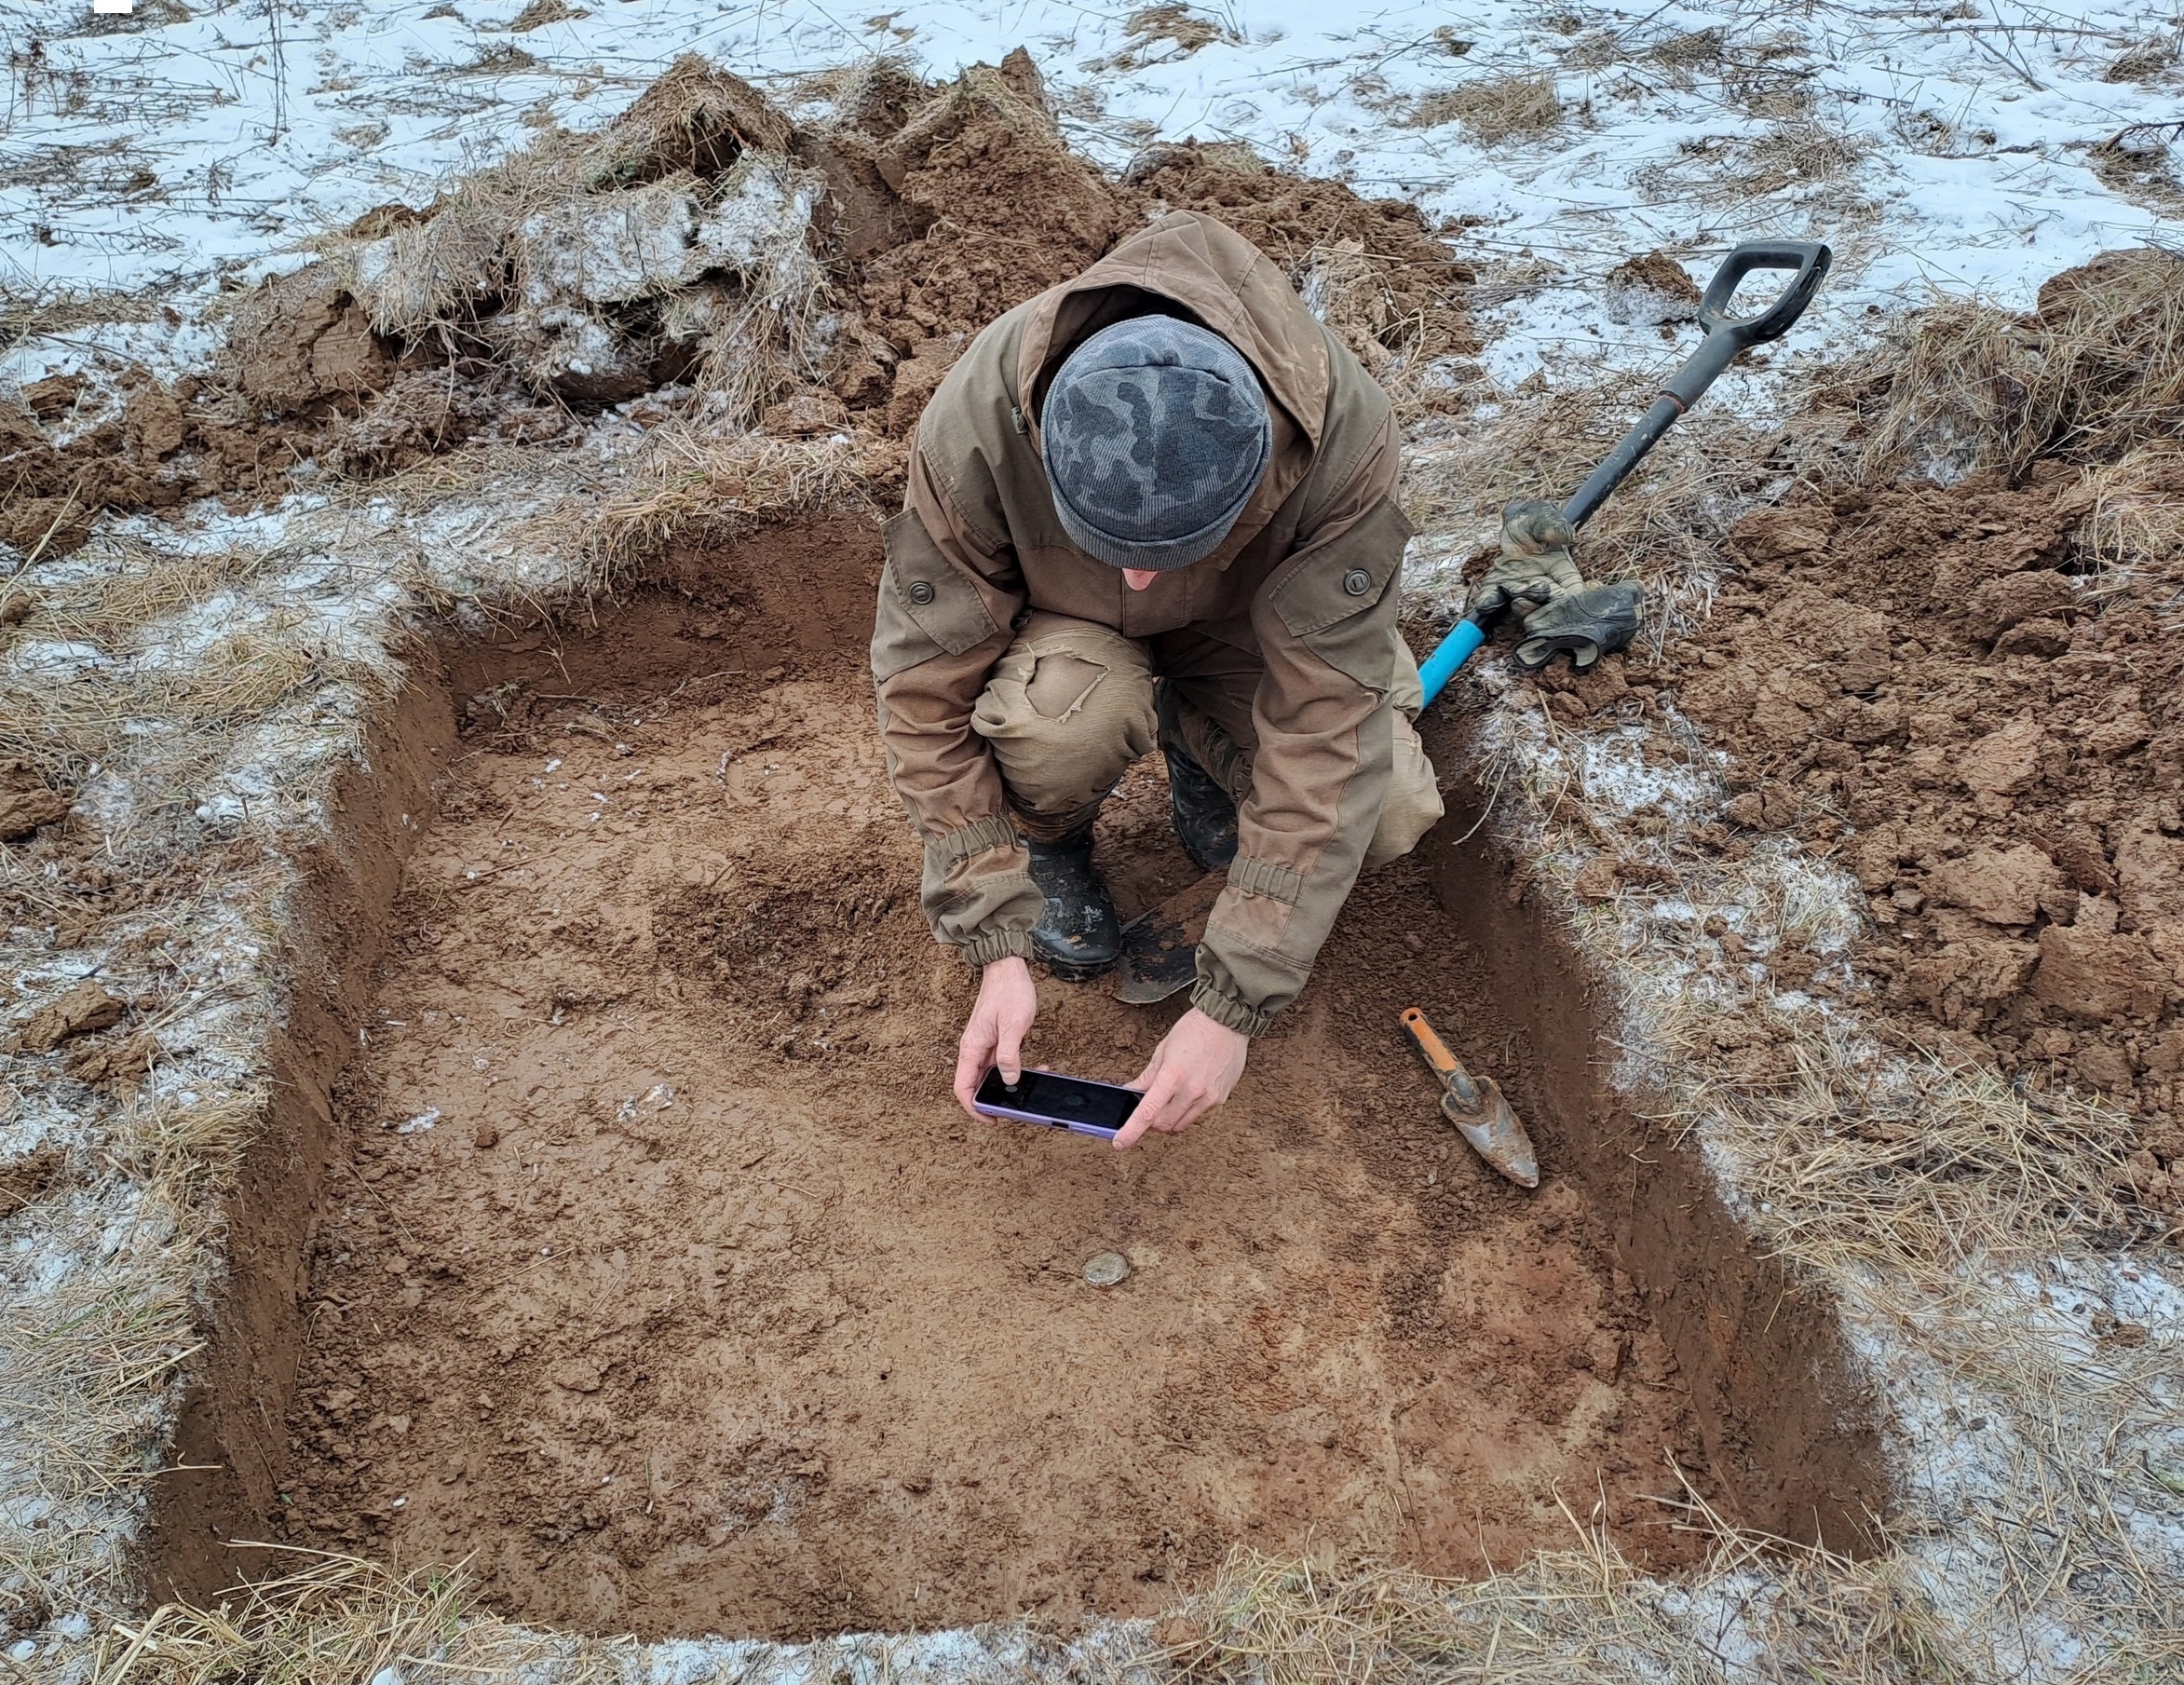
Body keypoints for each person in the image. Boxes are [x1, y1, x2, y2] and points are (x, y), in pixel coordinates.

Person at [870, 209, 1450, 1149]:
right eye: (1113, 544)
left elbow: (1327, 726)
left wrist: (1231, 1004)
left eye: (1179, 545)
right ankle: (1054, 841)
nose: (1141, 574)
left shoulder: (1339, 440)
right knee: (1058, 726)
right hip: (1070, 638)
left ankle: (1198, 749)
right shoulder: (975, 425)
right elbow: (924, 688)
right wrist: (992, 934)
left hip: (1249, 638)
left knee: (1384, 807)